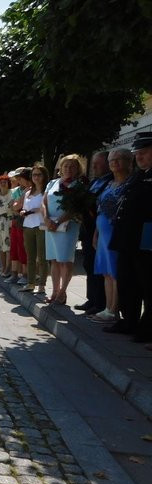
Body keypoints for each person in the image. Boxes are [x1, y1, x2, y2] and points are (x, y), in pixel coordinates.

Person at [105, 132, 152, 342]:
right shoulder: (138, 176)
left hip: (145, 240)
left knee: (147, 284)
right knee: (127, 282)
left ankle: (147, 329)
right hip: (128, 239)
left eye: (143, 153)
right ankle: (129, 320)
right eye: (137, 154)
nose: (139, 157)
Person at [90, 149, 132, 322]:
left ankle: (114, 309)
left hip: (117, 233)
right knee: (106, 271)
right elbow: (100, 210)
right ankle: (108, 307)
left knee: (115, 272)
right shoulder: (109, 184)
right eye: (111, 160)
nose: (113, 163)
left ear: (129, 161)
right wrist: (96, 233)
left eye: (118, 159)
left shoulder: (129, 185)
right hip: (103, 233)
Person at [42, 154, 86, 304]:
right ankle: (54, 291)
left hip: (68, 226)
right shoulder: (52, 183)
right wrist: (47, 218)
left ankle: (62, 292)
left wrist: (58, 221)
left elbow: (75, 208)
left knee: (65, 260)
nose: (68, 169)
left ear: (77, 169)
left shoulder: (78, 186)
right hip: (50, 226)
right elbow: (44, 202)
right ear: (60, 168)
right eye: (65, 166)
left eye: (72, 166)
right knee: (54, 260)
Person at [75, 151, 111, 314]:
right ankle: (92, 299)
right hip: (88, 229)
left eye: (98, 163)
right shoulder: (94, 182)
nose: (94, 166)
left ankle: (101, 303)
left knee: (99, 267)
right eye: (94, 163)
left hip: (99, 230)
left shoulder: (109, 182)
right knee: (88, 264)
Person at [20, 165, 49, 295]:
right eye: (34, 175)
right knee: (30, 257)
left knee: (42, 257)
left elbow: (47, 208)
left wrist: (37, 210)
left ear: (44, 176)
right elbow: (24, 207)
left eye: (39, 175)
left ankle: (42, 285)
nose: (36, 177)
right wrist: (23, 211)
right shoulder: (28, 193)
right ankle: (30, 283)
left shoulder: (46, 191)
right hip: (28, 225)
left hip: (41, 225)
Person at [6, 168, 30, 284]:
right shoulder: (15, 191)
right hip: (16, 221)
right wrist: (16, 207)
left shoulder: (30, 190)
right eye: (17, 178)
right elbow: (12, 207)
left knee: (23, 248)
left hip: (25, 222)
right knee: (14, 248)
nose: (18, 180)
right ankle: (14, 273)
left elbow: (16, 206)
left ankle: (25, 274)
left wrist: (16, 207)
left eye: (21, 178)